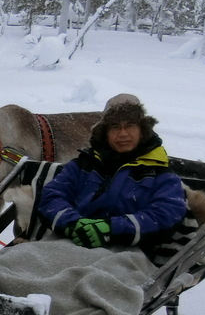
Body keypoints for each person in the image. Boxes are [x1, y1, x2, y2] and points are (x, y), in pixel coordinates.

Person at [37, 97, 187, 257]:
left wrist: (111, 228)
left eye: (130, 125)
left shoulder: (160, 173)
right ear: (105, 133)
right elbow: (51, 196)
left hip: (126, 254)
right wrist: (72, 223)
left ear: (143, 130)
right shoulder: (83, 165)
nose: (122, 134)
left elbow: (166, 214)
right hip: (69, 242)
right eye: (115, 127)